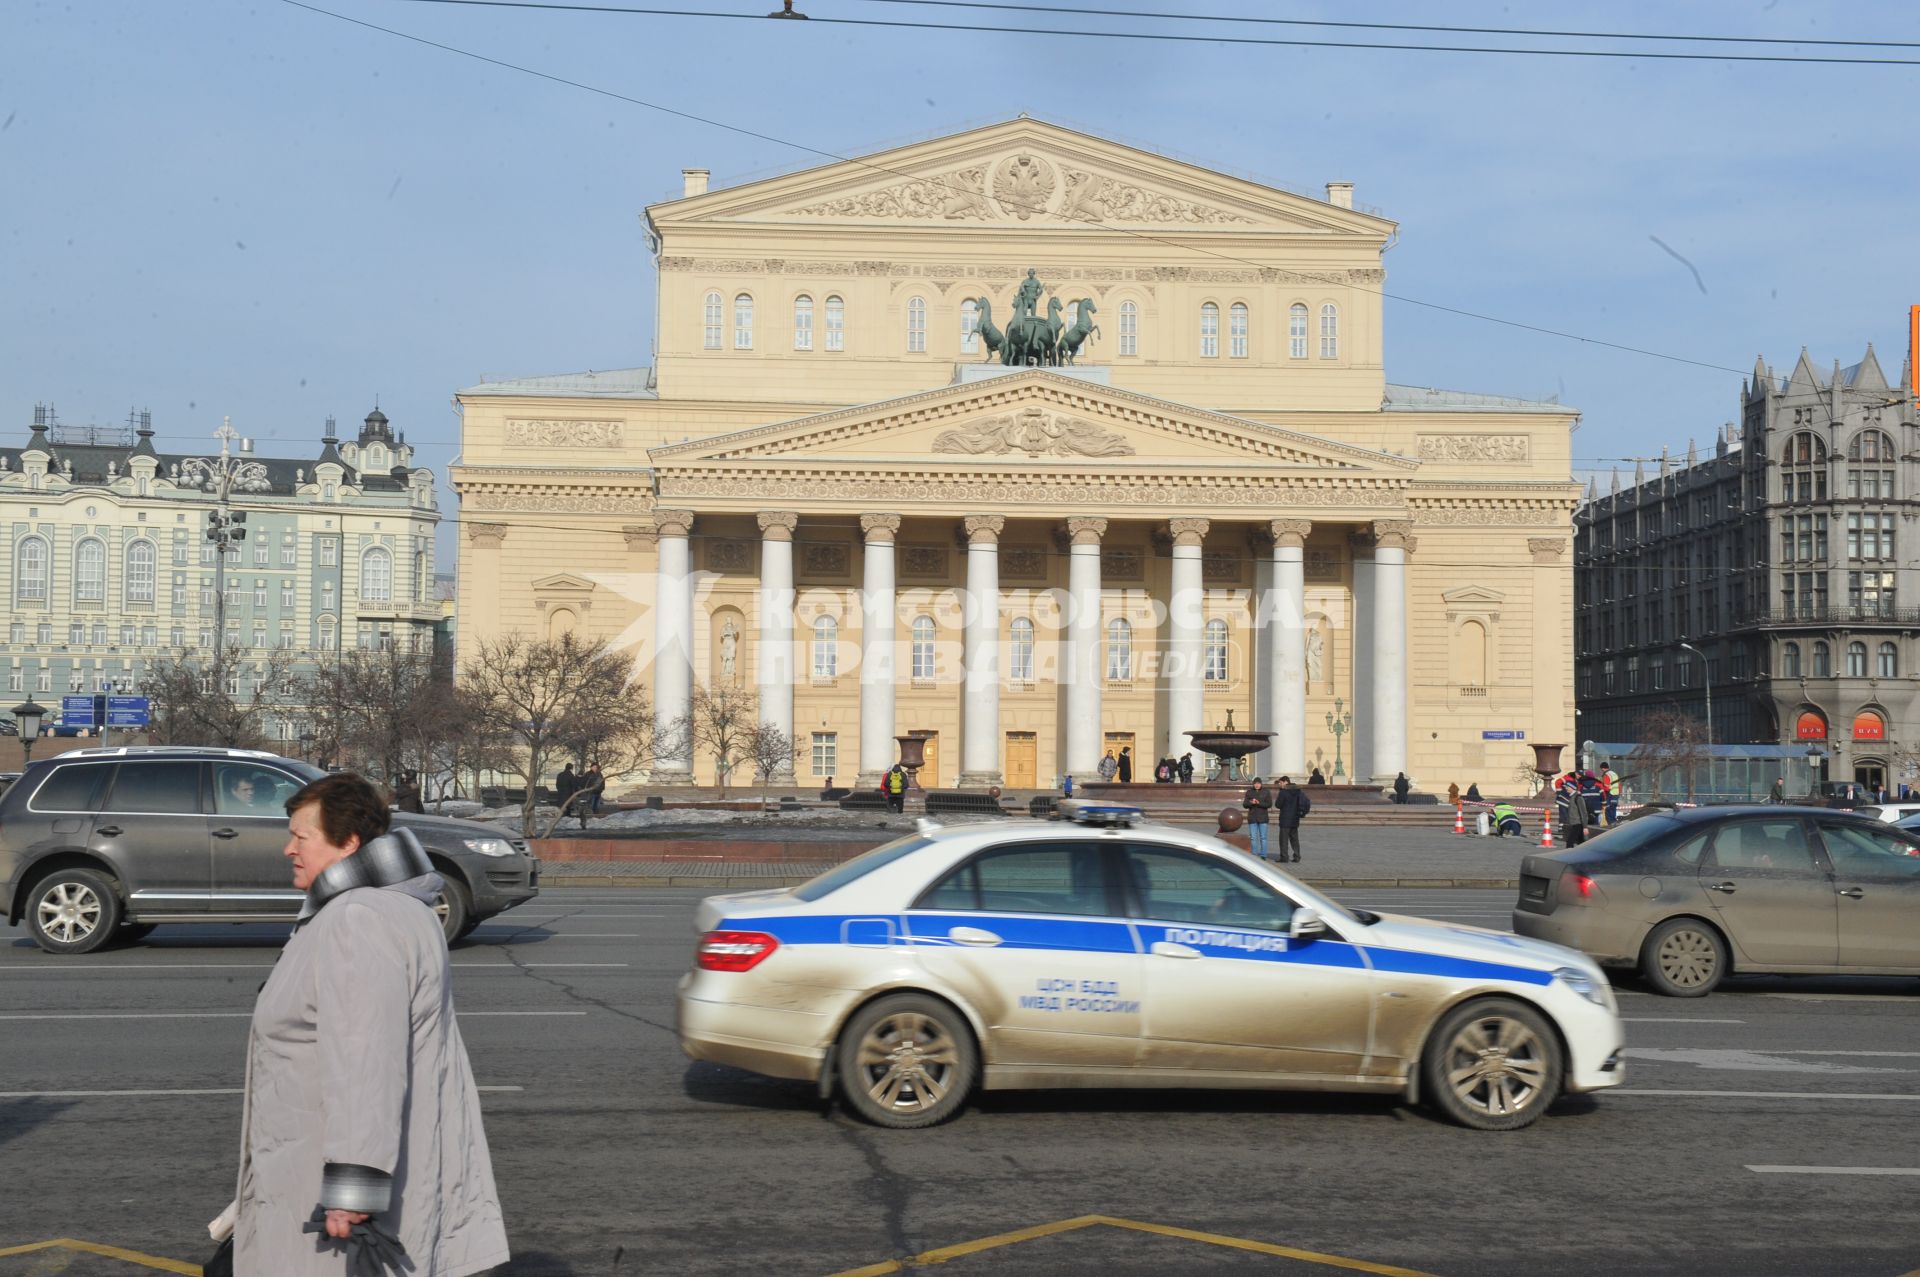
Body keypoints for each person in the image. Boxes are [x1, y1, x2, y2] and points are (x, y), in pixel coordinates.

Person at [223, 772, 509, 1276]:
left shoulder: (357, 919)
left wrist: (351, 1191)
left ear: (349, 842)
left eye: (301, 837)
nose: (288, 849)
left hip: (323, 1181)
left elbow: (364, 1060)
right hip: (331, 1160)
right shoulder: (395, 907)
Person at [1272, 775, 1309, 863]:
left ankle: (1284, 857)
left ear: (1285, 782)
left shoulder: (1283, 792)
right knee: (1294, 839)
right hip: (1295, 818)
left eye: (1281, 783)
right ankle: (1297, 856)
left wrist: (1281, 793)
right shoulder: (1298, 791)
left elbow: (1278, 805)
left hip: (1285, 819)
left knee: (1283, 839)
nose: (1280, 785)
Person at [1241, 776, 1272, 859]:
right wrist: (1251, 803)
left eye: (1258, 783)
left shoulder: (1266, 792)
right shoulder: (1249, 792)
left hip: (1263, 818)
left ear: (1261, 784)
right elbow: (1245, 805)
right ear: (1253, 784)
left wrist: (1259, 803)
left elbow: (1269, 804)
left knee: (1263, 838)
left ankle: (1263, 855)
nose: (1257, 785)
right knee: (1253, 838)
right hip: (1252, 818)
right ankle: (1254, 854)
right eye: (1255, 783)